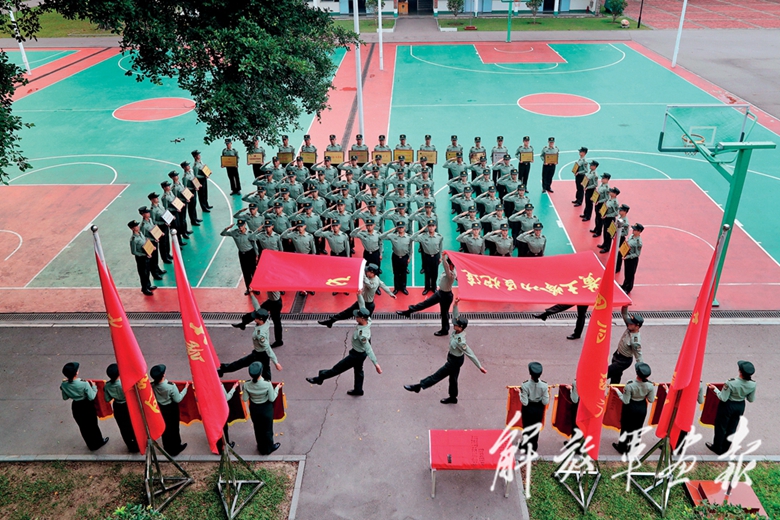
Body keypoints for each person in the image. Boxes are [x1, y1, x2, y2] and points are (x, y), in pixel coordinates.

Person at [404, 299, 487, 404]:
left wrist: (479, 366)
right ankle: (453, 397)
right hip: (453, 358)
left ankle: (419, 386)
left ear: (460, 328)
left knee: (437, 376)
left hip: (454, 362)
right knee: (453, 379)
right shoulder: (458, 331)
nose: (454, 324)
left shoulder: (460, 341)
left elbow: (470, 354)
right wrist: (455, 305)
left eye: (456, 324)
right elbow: (456, 316)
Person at [307, 308, 382, 396]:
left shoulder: (362, 335)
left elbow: (369, 349)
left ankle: (320, 378)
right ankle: (358, 390)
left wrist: (376, 364)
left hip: (356, 355)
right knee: (358, 370)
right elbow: (363, 306)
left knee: (337, 368)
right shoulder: (368, 321)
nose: (355, 317)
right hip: (361, 353)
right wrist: (360, 299)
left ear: (362, 318)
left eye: (357, 316)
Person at [318, 264, 395, 327]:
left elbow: (367, 283)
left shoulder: (373, 283)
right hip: (361, 301)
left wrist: (362, 273)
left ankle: (364, 336)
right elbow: (383, 285)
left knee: (364, 323)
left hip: (367, 305)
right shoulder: (376, 278)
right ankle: (331, 321)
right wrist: (390, 293)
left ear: (372, 273)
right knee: (347, 312)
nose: (366, 272)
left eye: (367, 271)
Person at [707, 360, 757, 455]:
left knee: (721, 427)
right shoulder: (753, 384)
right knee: (732, 427)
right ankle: (725, 448)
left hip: (728, 405)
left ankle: (717, 447)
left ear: (740, 371)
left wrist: (715, 389)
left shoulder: (730, 383)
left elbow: (723, 398)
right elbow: (751, 399)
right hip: (740, 405)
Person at [220, 308, 283, 381]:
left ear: (261, 320)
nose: (254, 318)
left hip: (259, 354)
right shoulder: (266, 322)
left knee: (242, 363)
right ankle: (267, 385)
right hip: (261, 354)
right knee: (265, 370)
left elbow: (268, 348)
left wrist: (276, 362)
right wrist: (253, 299)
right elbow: (257, 307)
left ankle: (224, 369)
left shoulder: (260, 335)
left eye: (256, 318)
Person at [60, 362, 108, 451]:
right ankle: (99, 442)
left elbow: (65, 397)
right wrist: (94, 387)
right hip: (87, 405)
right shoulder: (84, 383)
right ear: (76, 372)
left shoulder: (64, 384)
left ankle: (90, 444)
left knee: (83, 427)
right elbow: (91, 396)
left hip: (76, 406)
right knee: (93, 425)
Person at [612, 362, 656, 454]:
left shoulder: (630, 385)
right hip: (641, 407)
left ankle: (622, 447)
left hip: (630, 408)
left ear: (637, 373)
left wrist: (617, 391)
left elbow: (626, 400)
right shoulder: (650, 385)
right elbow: (651, 400)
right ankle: (633, 448)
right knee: (637, 428)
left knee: (626, 427)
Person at [243, 362, 282, 455]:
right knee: (267, 429)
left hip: (254, 409)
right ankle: (268, 448)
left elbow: (244, 398)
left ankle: (260, 446)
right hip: (266, 409)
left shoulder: (246, 384)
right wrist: (277, 388)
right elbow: (272, 398)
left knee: (258, 429)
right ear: (261, 372)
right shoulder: (267, 384)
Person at [150, 364, 188, 456]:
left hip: (160, 408)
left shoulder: (151, 385)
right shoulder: (170, 386)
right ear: (163, 375)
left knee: (164, 428)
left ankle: (167, 447)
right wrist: (185, 389)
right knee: (174, 428)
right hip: (171, 409)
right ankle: (176, 448)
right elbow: (177, 399)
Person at [104, 363, 139, 453]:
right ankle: (138, 444)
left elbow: (107, 399)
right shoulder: (125, 383)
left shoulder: (107, 386)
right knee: (134, 425)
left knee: (124, 428)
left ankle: (130, 446)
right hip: (128, 405)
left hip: (118, 406)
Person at [607, 306, 644, 384]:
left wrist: (642, 372)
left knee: (605, 373)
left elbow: (638, 356)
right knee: (616, 376)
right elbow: (624, 314)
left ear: (637, 326)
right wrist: (626, 305)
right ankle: (614, 390)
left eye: (631, 324)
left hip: (623, 361)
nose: (628, 324)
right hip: (617, 355)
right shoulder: (630, 327)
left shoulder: (635, 341)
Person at [221, 220, 258, 296]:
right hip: (242, 254)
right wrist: (228, 228)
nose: (240, 227)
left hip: (250, 253)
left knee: (253, 271)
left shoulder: (250, 233)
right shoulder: (234, 233)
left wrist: (256, 255)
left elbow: (254, 245)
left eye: (241, 225)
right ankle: (248, 288)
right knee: (245, 272)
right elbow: (222, 233)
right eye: (238, 226)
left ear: (245, 225)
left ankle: (256, 288)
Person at [520, 362, 549, 453]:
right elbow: (545, 401)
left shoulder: (525, 385)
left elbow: (525, 402)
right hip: (538, 409)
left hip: (528, 409)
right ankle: (533, 447)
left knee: (526, 427)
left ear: (530, 373)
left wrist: (519, 393)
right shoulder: (544, 385)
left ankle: (525, 446)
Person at [411, 220, 444, 295]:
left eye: (433, 226)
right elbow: (412, 238)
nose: (431, 228)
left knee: (434, 273)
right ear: (427, 227)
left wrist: (440, 257)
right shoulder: (423, 236)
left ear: (435, 227)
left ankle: (434, 288)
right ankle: (427, 288)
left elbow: (440, 248)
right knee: (427, 273)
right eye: (429, 226)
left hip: (436, 257)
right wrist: (421, 230)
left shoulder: (439, 237)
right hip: (427, 257)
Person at [379, 222, 411, 295]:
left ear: (404, 228)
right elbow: (381, 237)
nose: (400, 229)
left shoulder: (408, 237)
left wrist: (409, 257)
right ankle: (396, 288)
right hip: (395, 256)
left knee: (403, 273)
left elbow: (410, 248)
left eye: (402, 227)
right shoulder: (393, 236)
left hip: (404, 257)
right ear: (397, 228)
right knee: (396, 273)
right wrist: (391, 230)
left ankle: (403, 288)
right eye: (399, 227)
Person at [129, 220, 155, 296]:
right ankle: (144, 289)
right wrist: (144, 254)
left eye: (137, 225)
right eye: (136, 226)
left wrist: (151, 247)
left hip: (146, 256)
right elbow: (134, 252)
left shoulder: (140, 233)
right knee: (143, 273)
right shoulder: (133, 240)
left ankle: (148, 285)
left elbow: (145, 241)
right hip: (141, 259)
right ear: (132, 229)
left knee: (147, 271)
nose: (138, 227)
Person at [139, 207, 165, 280]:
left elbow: (154, 228)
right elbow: (144, 237)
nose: (149, 213)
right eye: (147, 213)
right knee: (152, 259)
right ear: (143, 215)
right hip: (150, 243)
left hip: (155, 241)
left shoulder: (150, 220)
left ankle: (157, 269)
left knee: (156, 257)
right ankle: (155, 274)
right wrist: (153, 239)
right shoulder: (143, 226)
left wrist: (159, 233)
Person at [148, 192, 172, 263]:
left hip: (165, 225)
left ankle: (168, 254)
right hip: (160, 227)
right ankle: (164, 258)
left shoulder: (160, 205)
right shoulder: (152, 210)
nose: (157, 198)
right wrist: (163, 223)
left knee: (167, 240)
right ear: (152, 200)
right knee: (162, 243)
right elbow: (154, 221)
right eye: (155, 198)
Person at [621, 223, 644, 294]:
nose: (633, 230)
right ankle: (624, 285)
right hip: (626, 257)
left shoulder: (638, 242)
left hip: (632, 259)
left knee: (630, 274)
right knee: (626, 272)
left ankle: (628, 288)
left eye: (635, 230)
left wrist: (627, 257)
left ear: (639, 231)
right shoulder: (631, 236)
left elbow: (637, 254)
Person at [599, 187, 621, 253]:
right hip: (606, 218)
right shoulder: (610, 199)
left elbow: (616, 213)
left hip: (610, 219)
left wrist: (607, 215)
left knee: (608, 234)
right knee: (605, 232)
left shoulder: (615, 203)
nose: (610, 192)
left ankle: (607, 248)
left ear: (615, 194)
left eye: (612, 192)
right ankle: (604, 244)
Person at [615, 205, 631, 273]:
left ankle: (617, 268)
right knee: (615, 251)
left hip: (621, 238)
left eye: (621, 210)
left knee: (620, 253)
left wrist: (618, 234)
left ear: (625, 212)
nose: (619, 211)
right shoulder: (620, 217)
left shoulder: (625, 223)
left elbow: (626, 233)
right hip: (617, 236)